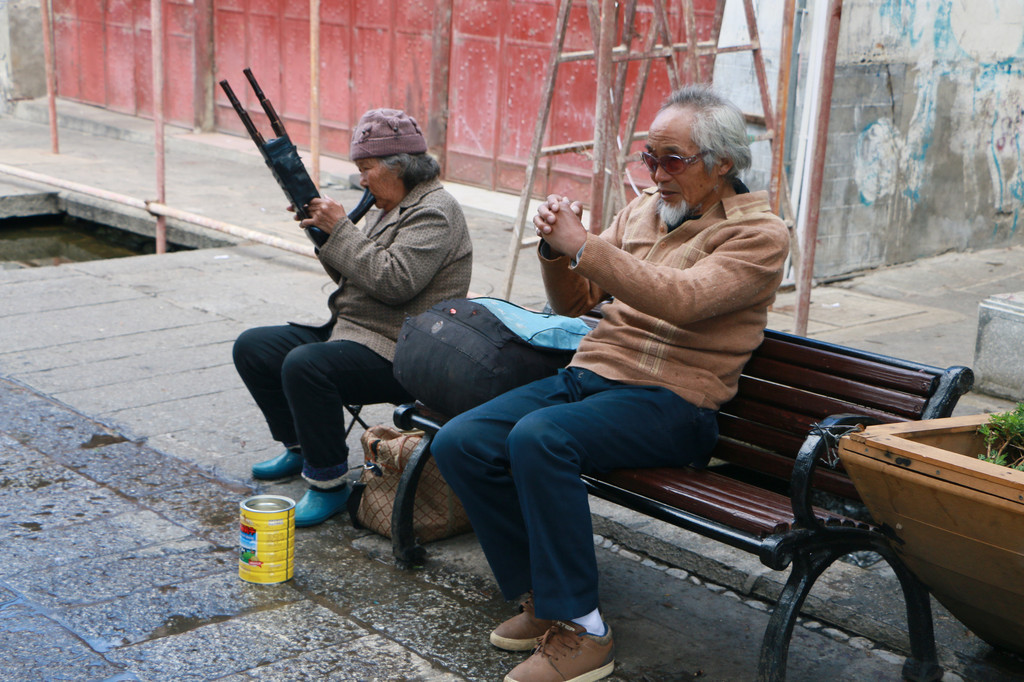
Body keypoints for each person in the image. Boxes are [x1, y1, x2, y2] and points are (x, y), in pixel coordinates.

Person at [430, 84, 790, 682]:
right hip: (592, 376)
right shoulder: (643, 209)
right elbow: (576, 303)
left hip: (673, 403)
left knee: (541, 438)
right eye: (650, 158)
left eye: (673, 159)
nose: (658, 173)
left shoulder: (759, 235)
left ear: (723, 163)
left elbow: (686, 300)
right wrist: (555, 248)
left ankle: (584, 628)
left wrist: (586, 245)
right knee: (460, 441)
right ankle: (544, 601)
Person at [233, 108, 472, 527]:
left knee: (307, 366)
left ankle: (327, 483)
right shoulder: (391, 201)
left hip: (403, 348)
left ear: (399, 167)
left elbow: (394, 281)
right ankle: (300, 448)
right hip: (355, 330)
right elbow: (354, 274)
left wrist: (342, 230)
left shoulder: (435, 211)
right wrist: (323, 234)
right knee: (254, 347)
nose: (361, 179)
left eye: (366, 168)